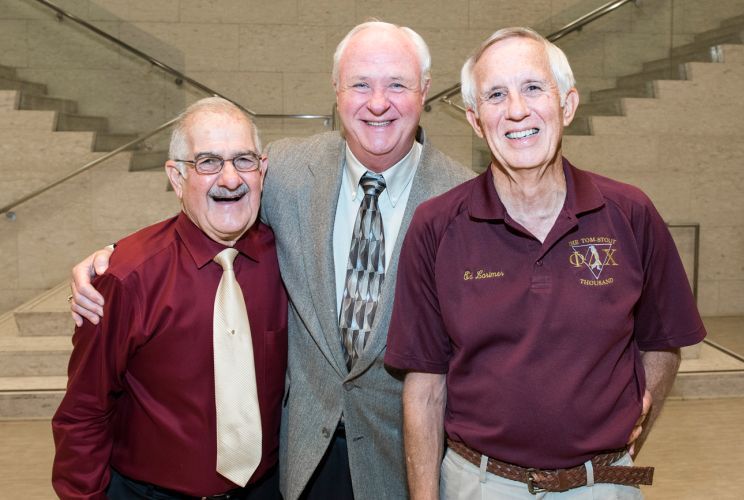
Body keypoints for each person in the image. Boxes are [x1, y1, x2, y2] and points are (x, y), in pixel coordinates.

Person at [68, 22, 474, 499]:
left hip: (401, 461)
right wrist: (110, 260)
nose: (378, 102)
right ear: (336, 91)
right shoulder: (286, 171)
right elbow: (209, 204)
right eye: (361, 84)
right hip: (298, 462)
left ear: (425, 91)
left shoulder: (463, 199)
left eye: (398, 85)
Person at [384, 27, 707, 499]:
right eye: (496, 95)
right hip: (478, 484)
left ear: (568, 105)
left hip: (607, 484)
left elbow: (664, 342)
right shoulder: (435, 226)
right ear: (476, 120)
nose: (517, 110)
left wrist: (626, 444)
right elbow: (425, 386)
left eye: (533, 87)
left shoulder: (631, 213)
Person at [53, 97, 288, 499]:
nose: (230, 179)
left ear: (262, 171)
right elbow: (84, 412)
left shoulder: (289, 259)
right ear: (177, 178)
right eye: (208, 162)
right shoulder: (127, 278)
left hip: (266, 489)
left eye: (244, 160)